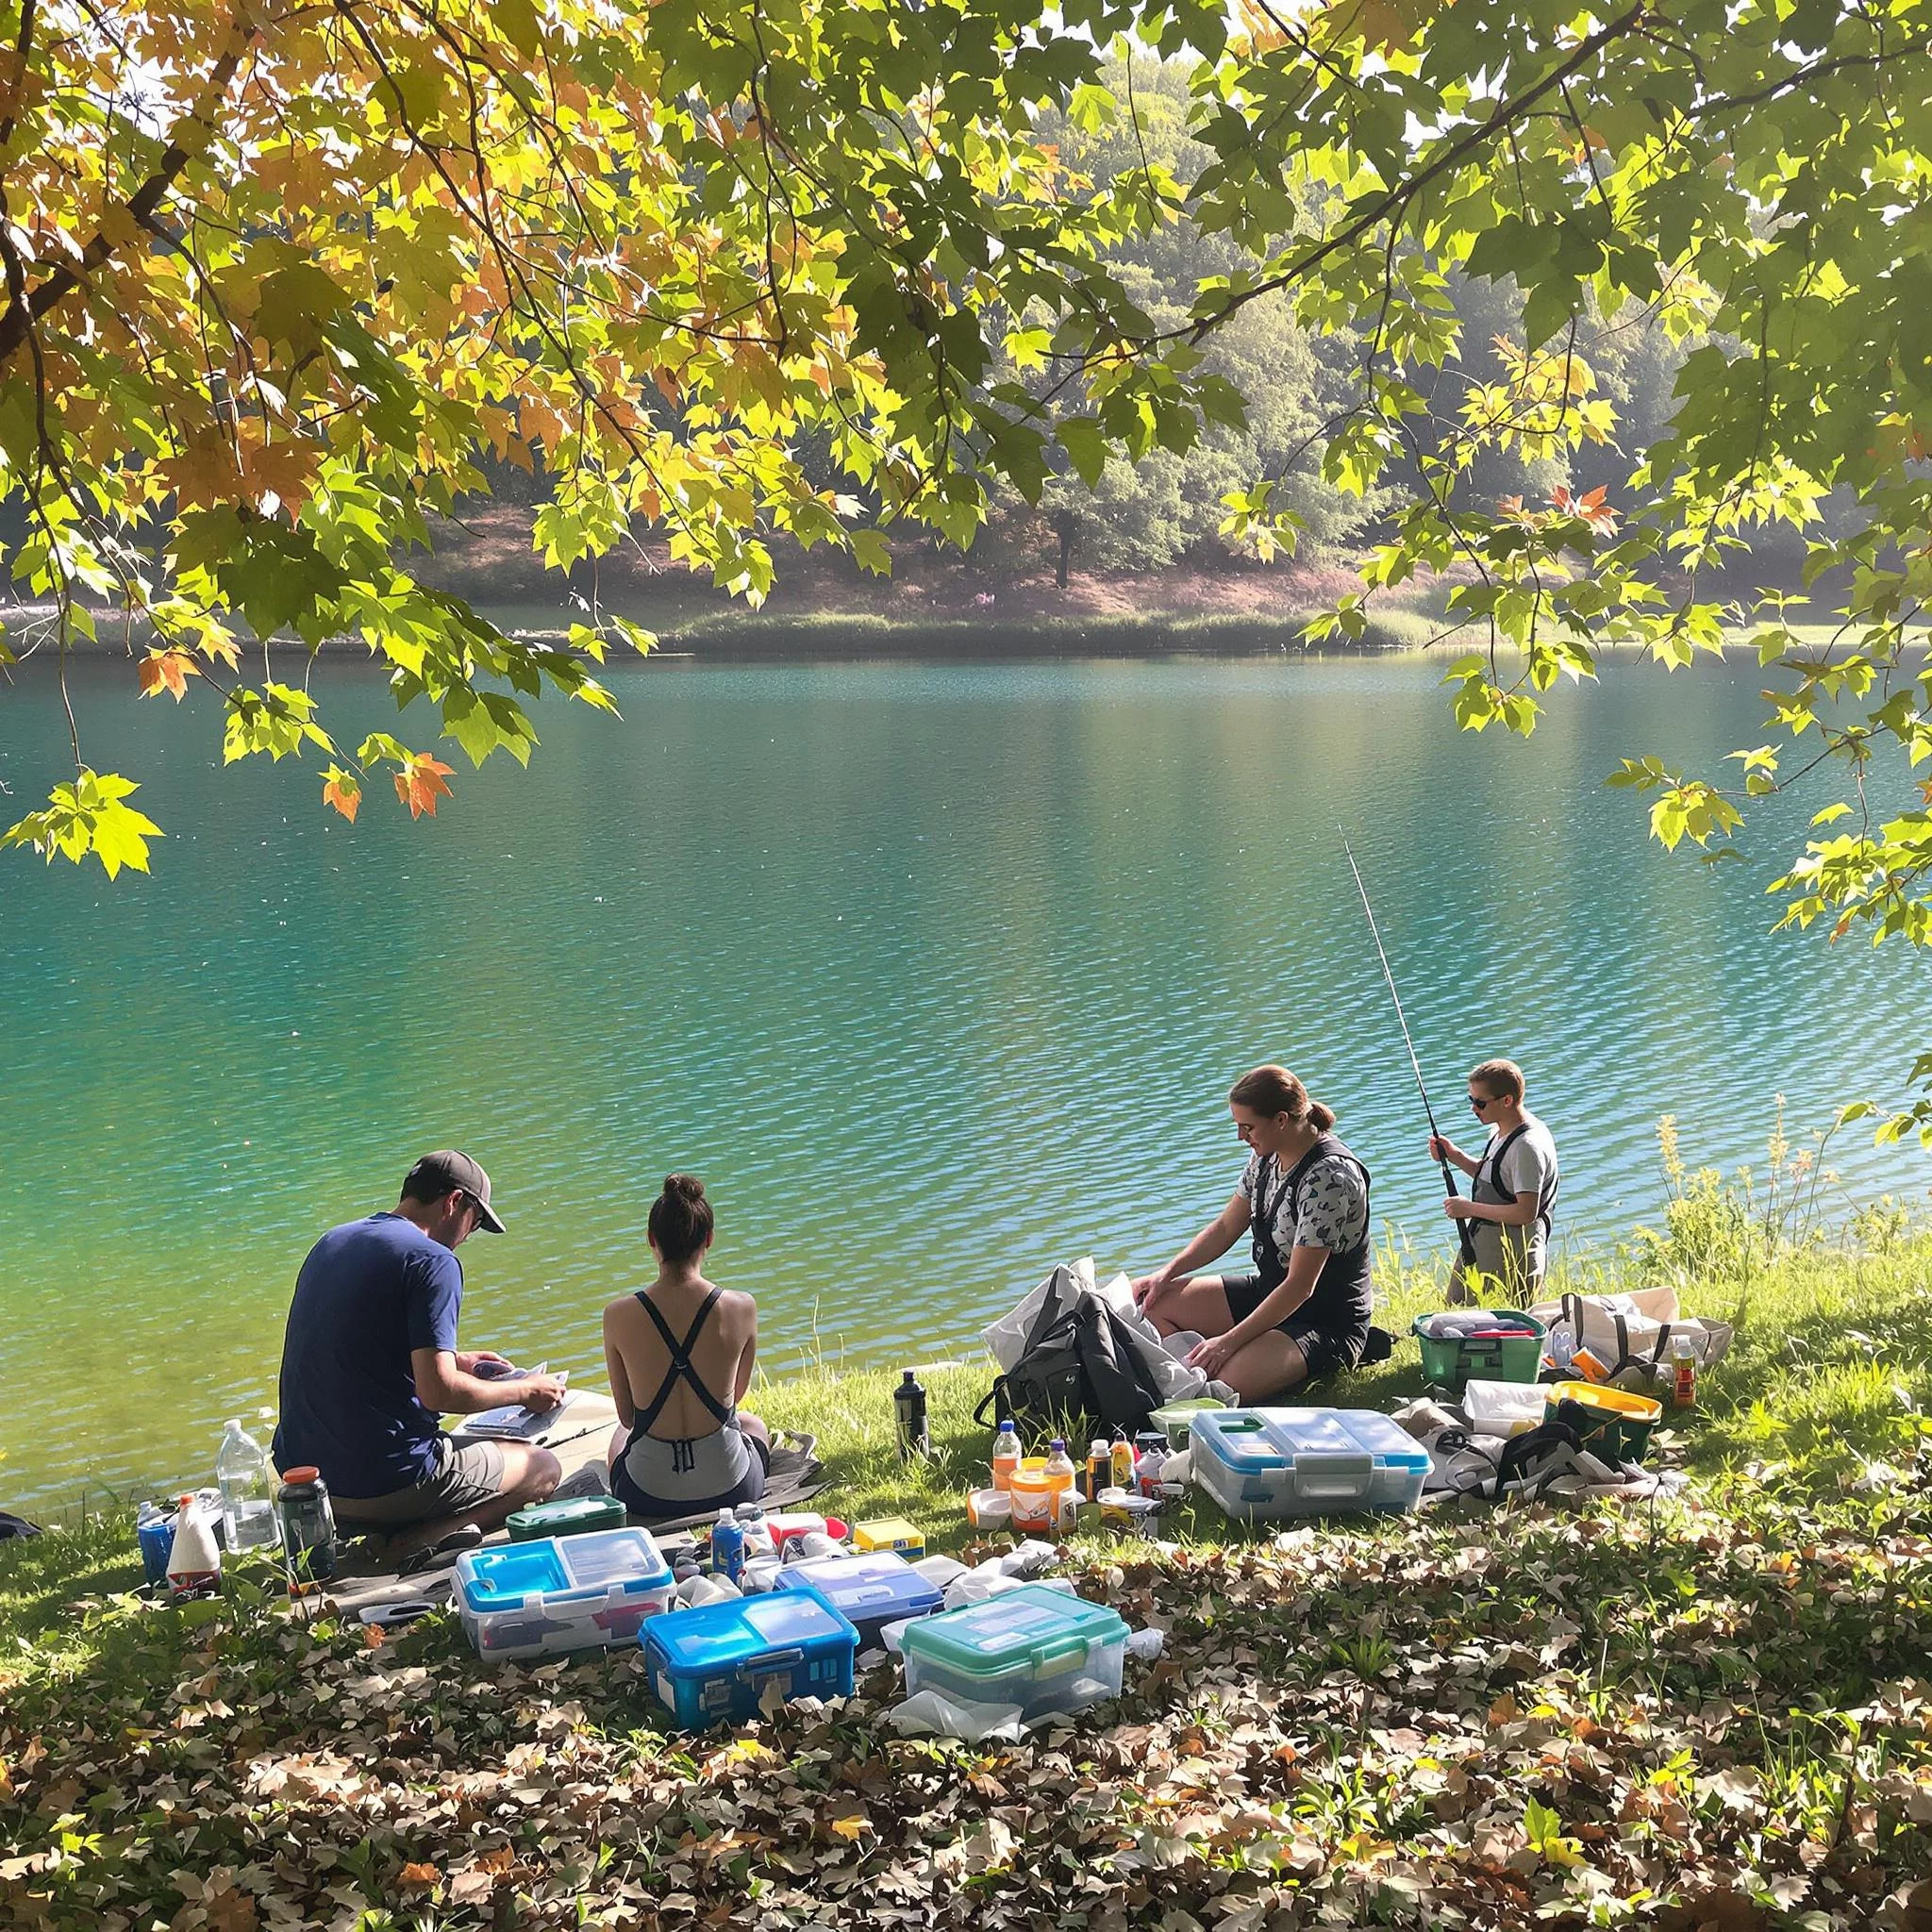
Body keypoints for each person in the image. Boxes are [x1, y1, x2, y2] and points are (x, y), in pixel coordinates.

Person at [274, 1151, 566, 1557]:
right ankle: (422, 1538)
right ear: (453, 1202)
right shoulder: (434, 1261)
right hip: (382, 1485)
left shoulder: (333, 1240)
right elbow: (440, 1394)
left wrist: (457, 1359)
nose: (468, 1236)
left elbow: (361, 1344)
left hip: (304, 1482)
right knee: (543, 1469)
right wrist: (525, 1391)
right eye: (476, 1222)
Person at [1131, 1066, 1374, 1401]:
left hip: (1324, 1320)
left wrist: (1227, 1342)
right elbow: (1225, 1227)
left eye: (1247, 1127)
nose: (1241, 1137)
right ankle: (1177, 1377)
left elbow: (1301, 1287)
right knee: (1152, 1304)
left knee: (1217, 1391)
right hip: (1270, 1292)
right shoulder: (1265, 1156)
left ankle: (1201, 1376)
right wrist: (1166, 1273)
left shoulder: (1329, 1178)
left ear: (1281, 1120)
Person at [603, 1174, 771, 1519]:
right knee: (755, 1426)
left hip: (646, 1493)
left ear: (651, 1240)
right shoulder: (742, 1307)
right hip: (732, 1486)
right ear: (708, 1239)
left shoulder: (618, 1315)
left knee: (620, 1435)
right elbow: (734, 1400)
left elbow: (627, 1416)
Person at [1428, 1057, 1560, 1303]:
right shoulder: (1501, 1130)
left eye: (1480, 1102)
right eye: (1471, 1100)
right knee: (1453, 1319)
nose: (1473, 1109)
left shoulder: (1527, 1147)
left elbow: (1525, 1212)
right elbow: (1498, 1180)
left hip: (1514, 1259)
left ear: (1507, 1100)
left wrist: (1468, 1208)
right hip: (1485, 1247)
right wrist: (1454, 1155)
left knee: (1500, 1332)